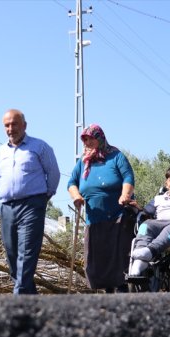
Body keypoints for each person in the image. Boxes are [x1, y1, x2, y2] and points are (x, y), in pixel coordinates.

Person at [0, 109, 60, 294]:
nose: (10, 128)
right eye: (7, 125)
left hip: (32, 205)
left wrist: (44, 197)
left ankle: (18, 301)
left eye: (14, 124)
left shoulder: (40, 147)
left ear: (24, 125)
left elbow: (53, 173)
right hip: (7, 207)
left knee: (27, 253)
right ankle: (31, 301)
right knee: (12, 254)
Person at [68, 124, 136, 293]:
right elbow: (71, 183)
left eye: (90, 139)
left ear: (99, 138)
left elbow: (128, 176)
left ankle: (123, 292)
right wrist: (76, 196)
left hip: (118, 215)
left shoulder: (116, 156)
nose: (86, 143)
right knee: (97, 260)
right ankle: (107, 295)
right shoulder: (83, 162)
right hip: (95, 219)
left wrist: (125, 194)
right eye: (84, 140)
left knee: (118, 257)